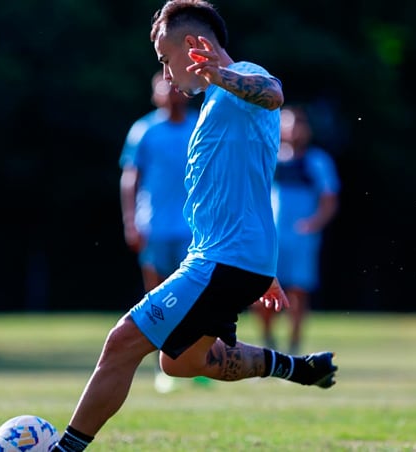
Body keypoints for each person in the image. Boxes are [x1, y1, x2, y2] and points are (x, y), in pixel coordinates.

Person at [50, 2, 338, 450]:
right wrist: (264, 269)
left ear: (193, 46)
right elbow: (242, 187)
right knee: (180, 362)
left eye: (166, 61)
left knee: (122, 343)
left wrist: (220, 74)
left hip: (223, 259)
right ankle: (297, 368)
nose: (166, 75)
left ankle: (64, 449)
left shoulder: (239, 80)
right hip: (234, 257)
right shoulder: (218, 105)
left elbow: (273, 92)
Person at [119, 71, 205, 393]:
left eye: (175, 86)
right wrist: (131, 221)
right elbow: (131, 177)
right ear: (155, 94)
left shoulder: (201, 125)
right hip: (153, 227)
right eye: (163, 87)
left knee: (194, 300)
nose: (170, 92)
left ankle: (194, 364)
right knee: (156, 300)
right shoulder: (144, 130)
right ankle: (163, 369)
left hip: (193, 228)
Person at [253, 105, 340, 354]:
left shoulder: (317, 162)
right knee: (261, 292)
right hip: (269, 239)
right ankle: (268, 345)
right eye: (289, 124)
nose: (295, 130)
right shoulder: (269, 158)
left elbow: (329, 199)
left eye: (300, 124)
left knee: (298, 293)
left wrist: (314, 224)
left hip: (301, 239)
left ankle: (293, 348)